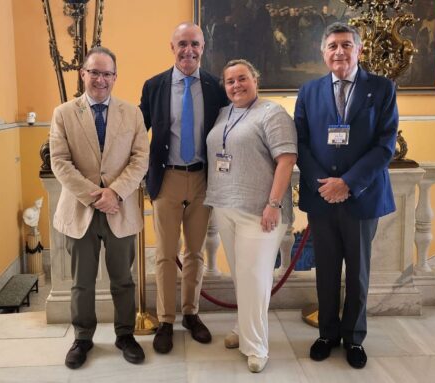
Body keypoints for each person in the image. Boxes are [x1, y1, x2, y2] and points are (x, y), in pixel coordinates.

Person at [294, 22, 398, 369]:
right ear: (323, 53)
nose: (339, 51)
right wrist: (323, 184)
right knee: (325, 270)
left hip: (362, 197)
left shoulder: (381, 89)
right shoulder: (309, 91)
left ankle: (354, 338)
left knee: (357, 273)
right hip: (321, 198)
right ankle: (327, 334)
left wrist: (348, 183)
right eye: (333, 46)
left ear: (359, 51)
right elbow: (302, 143)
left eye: (346, 45)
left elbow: (385, 145)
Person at [50, 46, 149, 369]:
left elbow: (139, 159)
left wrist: (116, 193)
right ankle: (82, 338)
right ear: (83, 74)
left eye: (107, 73)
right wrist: (96, 195)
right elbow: (60, 162)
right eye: (94, 72)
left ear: (115, 77)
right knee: (82, 281)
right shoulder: (64, 113)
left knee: (124, 279)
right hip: (81, 211)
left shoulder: (132, 113)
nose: (101, 79)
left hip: (119, 210)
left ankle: (124, 334)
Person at [139, 22, 228, 354]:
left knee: (195, 252)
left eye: (195, 44)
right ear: (171, 47)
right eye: (182, 44)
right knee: (164, 254)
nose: (188, 50)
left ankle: (191, 314)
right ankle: (165, 319)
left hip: (204, 179)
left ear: (203, 46)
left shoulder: (216, 86)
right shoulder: (155, 86)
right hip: (167, 179)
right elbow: (138, 130)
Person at [204, 59, 297, 373]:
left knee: (256, 278)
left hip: (260, 211)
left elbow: (286, 160)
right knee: (241, 275)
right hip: (225, 206)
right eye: (230, 81)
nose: (236, 86)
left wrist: (273, 204)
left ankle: (256, 347)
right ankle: (243, 329)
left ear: (255, 79)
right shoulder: (223, 114)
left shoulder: (273, 113)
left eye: (242, 79)